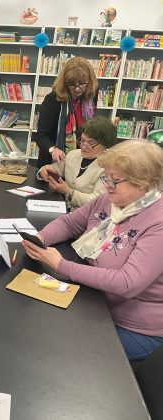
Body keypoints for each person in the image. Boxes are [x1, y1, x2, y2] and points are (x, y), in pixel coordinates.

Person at [22, 139, 163, 361]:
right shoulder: (109, 199)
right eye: (106, 177)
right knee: (37, 328)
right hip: (94, 300)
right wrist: (41, 238)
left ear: (143, 183)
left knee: (60, 353)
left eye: (115, 181)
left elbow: (126, 283)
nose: (107, 185)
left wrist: (61, 265)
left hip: (131, 325)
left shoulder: (158, 223)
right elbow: (70, 223)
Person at [38, 116, 117, 210]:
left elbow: (98, 201)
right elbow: (55, 169)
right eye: (82, 140)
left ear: (105, 144)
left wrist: (69, 192)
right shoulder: (73, 154)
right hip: (60, 207)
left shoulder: (108, 168)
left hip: (85, 214)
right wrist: (44, 171)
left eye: (91, 143)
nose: (84, 146)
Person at [35, 56, 98, 168]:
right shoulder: (53, 100)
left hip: (81, 161)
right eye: (72, 84)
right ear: (64, 83)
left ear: (89, 81)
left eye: (82, 83)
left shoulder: (91, 96)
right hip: (54, 163)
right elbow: (41, 136)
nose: (77, 89)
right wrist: (53, 149)